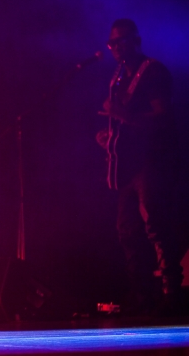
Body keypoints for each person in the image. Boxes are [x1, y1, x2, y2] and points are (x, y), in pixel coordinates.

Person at [96, 18, 183, 315]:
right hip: (129, 166)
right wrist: (111, 138)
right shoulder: (118, 78)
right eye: (112, 43)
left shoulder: (153, 72)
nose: (116, 47)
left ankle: (172, 296)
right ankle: (142, 298)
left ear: (136, 40)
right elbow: (127, 123)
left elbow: (162, 118)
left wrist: (123, 116)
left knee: (156, 227)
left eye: (121, 41)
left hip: (154, 161)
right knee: (128, 232)